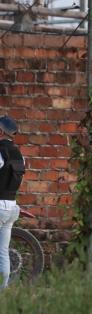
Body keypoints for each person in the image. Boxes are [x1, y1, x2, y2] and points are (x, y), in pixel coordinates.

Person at [0, 116, 23, 289]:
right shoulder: (18, 154)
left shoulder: (0, 152)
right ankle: (3, 291)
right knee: (3, 253)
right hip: (12, 207)